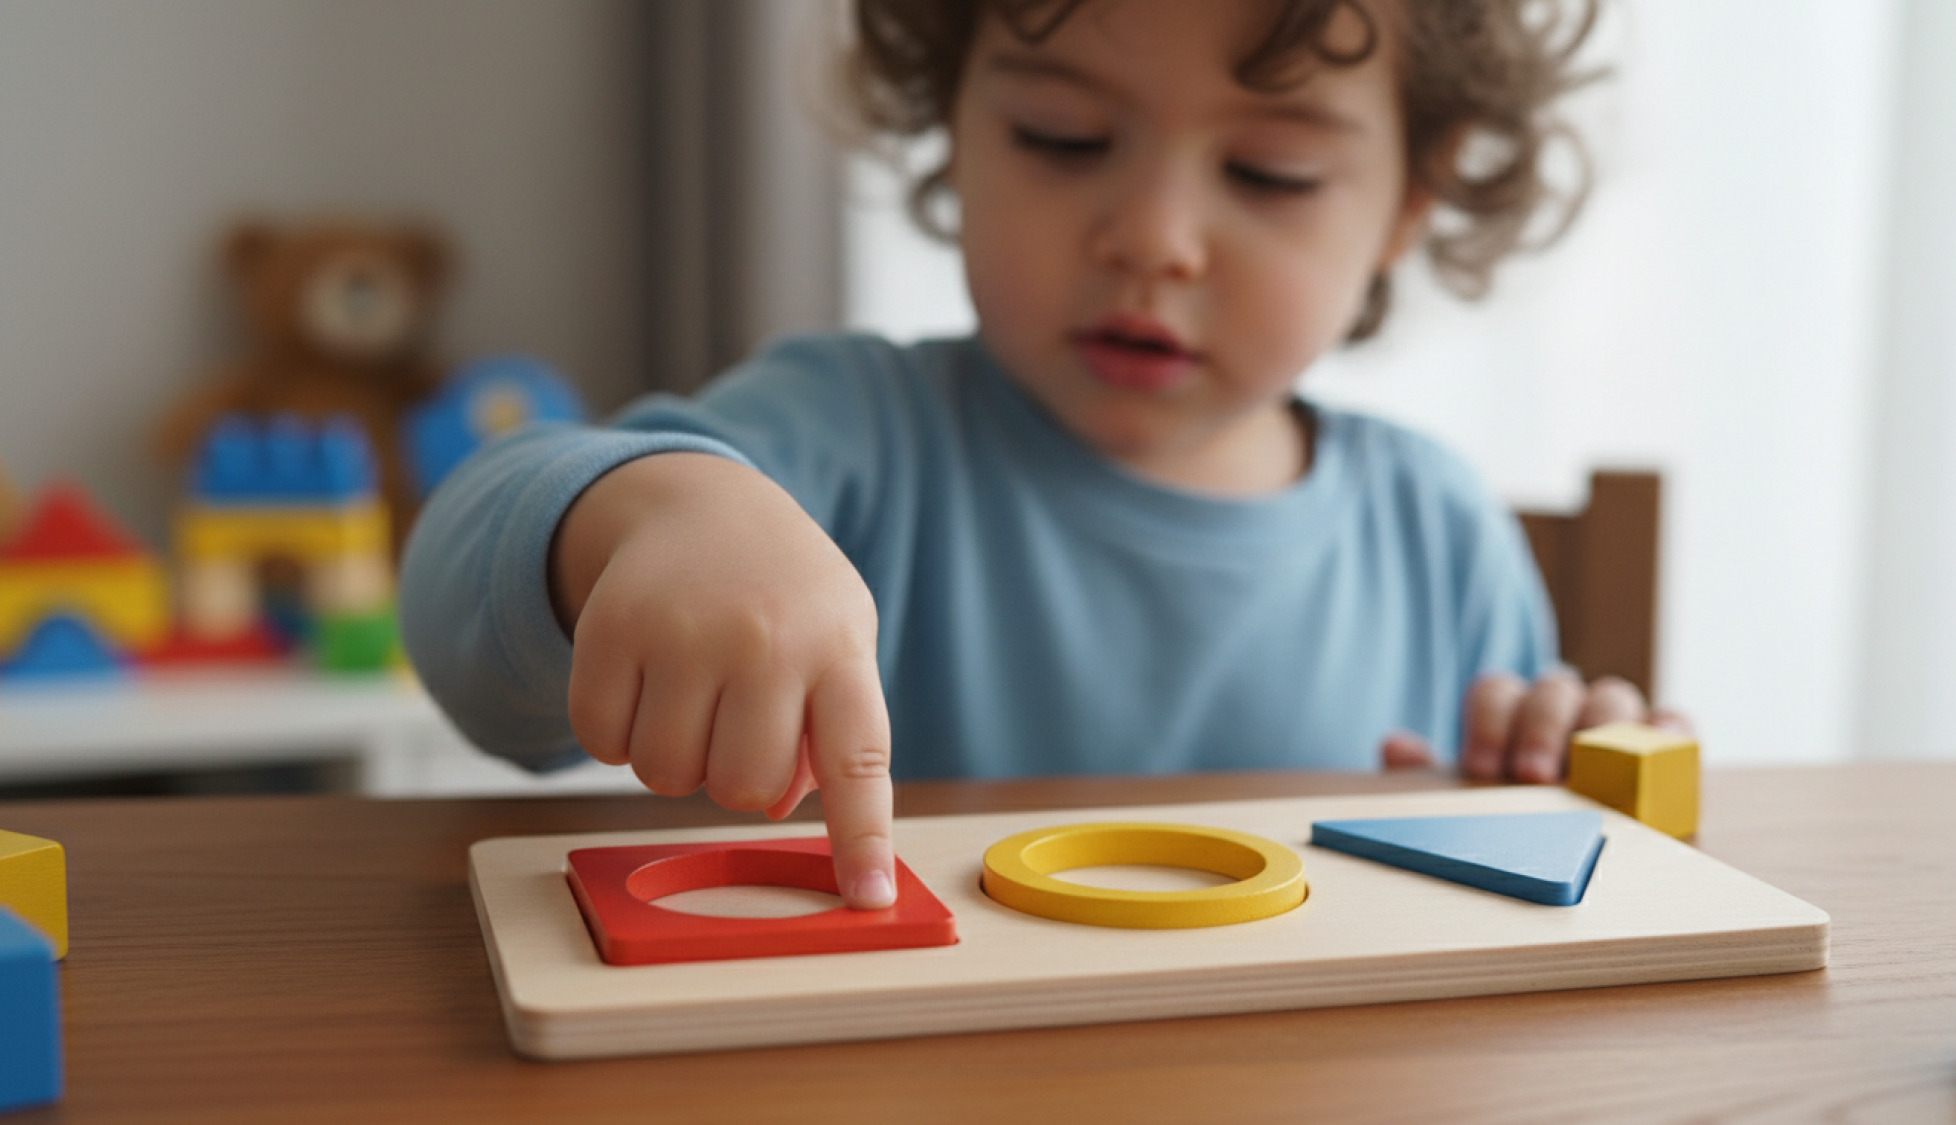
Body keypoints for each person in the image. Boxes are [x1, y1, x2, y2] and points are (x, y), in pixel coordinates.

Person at [403, 0, 1673, 912]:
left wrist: (1552, 749)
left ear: (1409, 201)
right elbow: (463, 613)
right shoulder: (850, 430)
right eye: (1064, 138)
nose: (1153, 238)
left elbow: (1519, 875)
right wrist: (653, 506)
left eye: (1269, 170)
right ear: (953, 127)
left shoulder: (1438, 530)